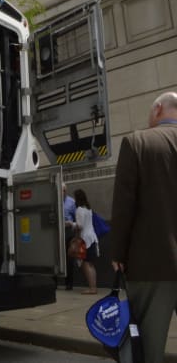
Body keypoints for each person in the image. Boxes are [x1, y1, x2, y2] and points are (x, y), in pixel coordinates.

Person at [110, 91, 177, 363]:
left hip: (151, 265)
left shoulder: (137, 142)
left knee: (148, 349)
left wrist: (118, 253)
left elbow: (123, 206)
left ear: (158, 109)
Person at [74, 189, 98, 295]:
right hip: (92, 238)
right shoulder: (88, 209)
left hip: (84, 240)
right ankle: (94, 287)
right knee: (91, 264)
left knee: (86, 264)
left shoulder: (79, 210)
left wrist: (71, 225)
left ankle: (92, 288)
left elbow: (80, 226)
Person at [62, 183, 77, 290]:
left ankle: (69, 283)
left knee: (69, 258)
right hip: (56, 231)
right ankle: (54, 283)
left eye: (63, 190)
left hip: (68, 231)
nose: (62, 192)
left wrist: (71, 223)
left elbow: (77, 218)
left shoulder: (71, 202)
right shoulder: (53, 200)